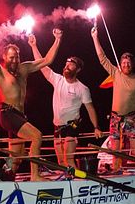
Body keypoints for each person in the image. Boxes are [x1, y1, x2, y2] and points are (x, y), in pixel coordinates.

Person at [0, 15, 61, 181]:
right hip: (7, 114)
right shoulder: (0, 72)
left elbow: (48, 60)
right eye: (11, 57)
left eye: (16, 57)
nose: (14, 60)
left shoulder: (24, 69)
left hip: (19, 115)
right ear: (5, 58)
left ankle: (6, 177)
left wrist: (57, 39)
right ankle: (35, 175)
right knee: (37, 136)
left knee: (17, 156)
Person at [31, 34, 103, 169]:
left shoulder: (82, 88)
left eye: (71, 65)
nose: (67, 66)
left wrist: (96, 127)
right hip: (57, 127)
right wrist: (33, 45)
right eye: (66, 64)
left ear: (78, 69)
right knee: (61, 162)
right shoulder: (57, 79)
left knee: (69, 159)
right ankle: (68, 182)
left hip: (72, 126)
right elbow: (42, 65)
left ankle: (77, 183)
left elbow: (90, 109)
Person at [91, 26, 135, 171]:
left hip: (132, 118)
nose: (126, 64)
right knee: (115, 148)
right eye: (123, 62)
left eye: (128, 62)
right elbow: (102, 58)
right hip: (115, 118)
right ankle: (116, 169)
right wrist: (95, 37)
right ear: (120, 64)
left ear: (133, 64)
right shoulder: (115, 73)